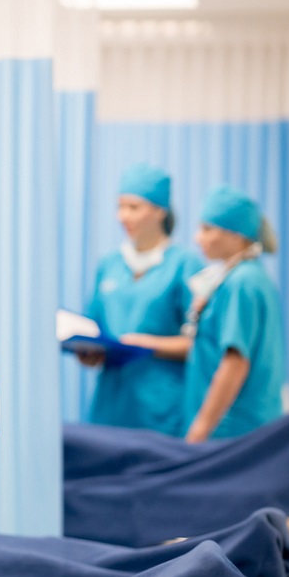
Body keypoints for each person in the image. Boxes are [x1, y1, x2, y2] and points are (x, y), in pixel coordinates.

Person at [78, 163, 203, 436]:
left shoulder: (185, 264)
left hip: (161, 410)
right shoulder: (109, 264)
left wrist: (149, 344)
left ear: (160, 211)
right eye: (120, 206)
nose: (123, 216)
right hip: (111, 406)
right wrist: (89, 352)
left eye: (133, 207)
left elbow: (201, 343)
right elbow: (93, 328)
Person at [182, 185, 286, 442]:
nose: (198, 238)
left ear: (237, 234)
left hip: (232, 429)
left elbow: (235, 363)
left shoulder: (242, 283)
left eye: (207, 229)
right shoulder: (245, 278)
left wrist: (199, 430)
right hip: (239, 426)